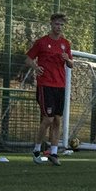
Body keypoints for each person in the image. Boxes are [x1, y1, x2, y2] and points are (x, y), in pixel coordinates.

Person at [26, 13, 74, 165]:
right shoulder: (42, 42)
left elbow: (71, 64)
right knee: (48, 119)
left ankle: (54, 153)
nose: (58, 27)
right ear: (51, 24)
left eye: (61, 25)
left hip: (60, 85)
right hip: (46, 84)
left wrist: (68, 60)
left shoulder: (65, 44)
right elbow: (28, 58)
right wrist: (35, 67)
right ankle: (36, 149)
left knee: (57, 120)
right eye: (56, 24)